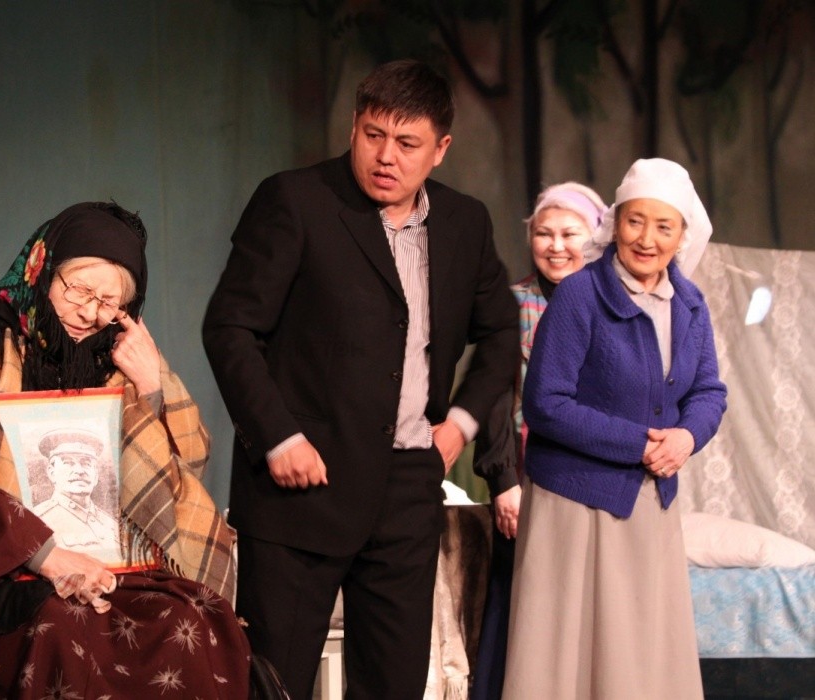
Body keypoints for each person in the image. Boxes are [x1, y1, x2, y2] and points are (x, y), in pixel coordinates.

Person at [202, 59, 519, 699]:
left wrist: (459, 425)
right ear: (353, 127)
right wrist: (278, 437)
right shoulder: (295, 200)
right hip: (302, 487)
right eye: (373, 135)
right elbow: (230, 327)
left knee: (393, 686)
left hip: (407, 489)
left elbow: (502, 333)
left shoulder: (464, 222)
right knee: (274, 683)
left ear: (440, 149)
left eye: (407, 143)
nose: (386, 156)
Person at [0, 202, 250, 699]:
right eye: (80, 291)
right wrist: (46, 556)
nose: (91, 314)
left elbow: (188, 466)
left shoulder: (121, 359)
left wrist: (153, 384)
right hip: (5, 566)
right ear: (42, 272)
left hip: (117, 567)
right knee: (60, 625)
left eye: (110, 302)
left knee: (191, 620)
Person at [502, 159, 728, 699]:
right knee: (566, 658)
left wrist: (686, 437)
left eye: (663, 226)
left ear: (682, 236)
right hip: (574, 502)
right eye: (635, 221)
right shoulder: (582, 295)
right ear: (615, 223)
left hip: (649, 500)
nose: (646, 239)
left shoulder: (690, 305)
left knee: (640, 653)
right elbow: (545, 402)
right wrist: (638, 444)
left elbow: (708, 392)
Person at [471, 182, 606, 699]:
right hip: (531, 483)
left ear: (596, 236)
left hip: (598, 484)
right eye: (544, 234)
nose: (556, 246)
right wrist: (505, 481)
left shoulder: (615, 308)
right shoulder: (515, 305)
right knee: (522, 609)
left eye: (570, 233)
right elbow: (493, 399)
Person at [32, 427, 121, 554]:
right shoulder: (36, 522)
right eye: (68, 463)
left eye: (86, 464)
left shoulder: (112, 524)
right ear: (52, 473)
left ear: (96, 475)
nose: (79, 471)